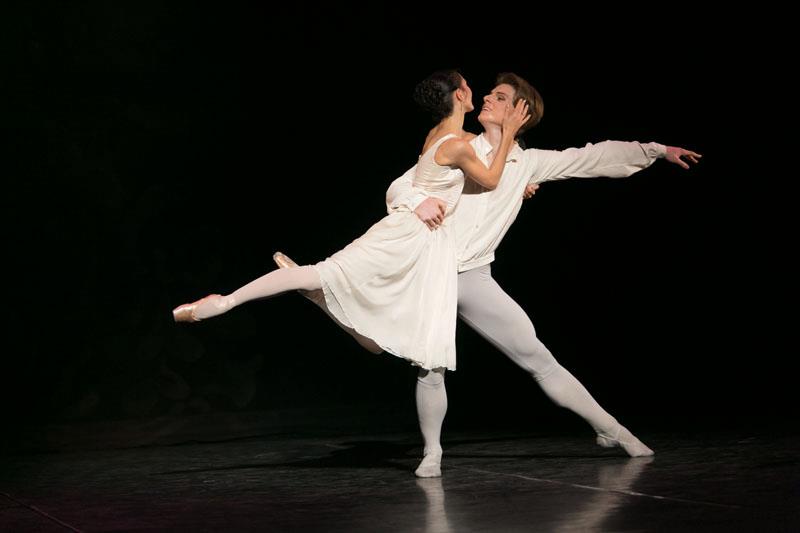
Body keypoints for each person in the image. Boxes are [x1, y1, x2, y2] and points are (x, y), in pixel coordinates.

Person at [273, 72, 701, 477]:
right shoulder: (459, 145)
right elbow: (404, 183)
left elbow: (589, 157)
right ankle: (432, 451)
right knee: (426, 364)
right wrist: (416, 202)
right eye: (489, 93)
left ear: (520, 112)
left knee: (537, 358)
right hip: (432, 271)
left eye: (499, 97)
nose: (486, 99)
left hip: (475, 277)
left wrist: (657, 150)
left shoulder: (527, 164)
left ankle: (613, 430)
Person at [173, 70, 530, 373]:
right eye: (471, 87)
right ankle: (226, 301)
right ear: (461, 94)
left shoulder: (442, 136)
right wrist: (511, 133)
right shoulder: (458, 145)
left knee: (376, 342)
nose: (478, 93)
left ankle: (318, 299)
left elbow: (489, 163)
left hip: (422, 242)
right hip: (409, 235)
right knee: (323, 273)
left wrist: (521, 178)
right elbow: (491, 177)